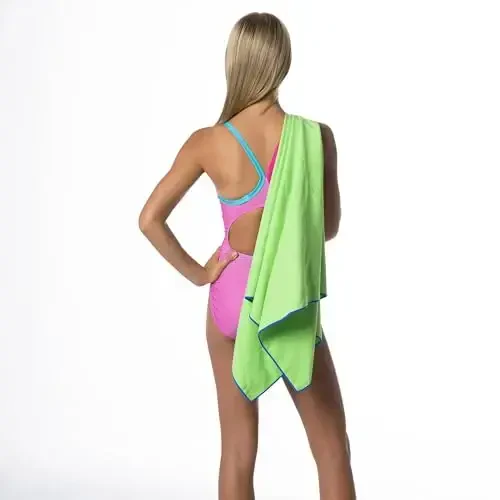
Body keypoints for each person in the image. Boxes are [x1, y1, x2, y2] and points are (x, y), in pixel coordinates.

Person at [139, 12, 355, 500]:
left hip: (229, 297)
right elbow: (328, 229)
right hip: (287, 297)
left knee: (237, 451)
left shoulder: (208, 142)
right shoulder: (315, 137)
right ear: (283, 60)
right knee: (331, 450)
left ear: (234, 62)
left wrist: (201, 273)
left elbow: (150, 218)